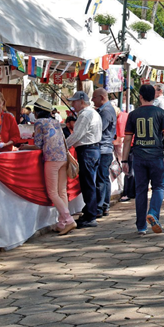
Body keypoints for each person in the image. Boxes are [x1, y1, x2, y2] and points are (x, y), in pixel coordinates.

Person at [121, 84, 164, 234]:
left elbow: (127, 139)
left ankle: (141, 226)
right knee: (159, 187)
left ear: (140, 96)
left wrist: (124, 160)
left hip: (139, 156)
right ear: (155, 96)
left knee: (141, 191)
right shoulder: (160, 113)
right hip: (156, 155)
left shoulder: (133, 114)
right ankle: (153, 213)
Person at [20, 97, 76, 235]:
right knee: (62, 191)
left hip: (51, 159)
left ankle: (68, 220)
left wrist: (26, 146)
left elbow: (38, 145)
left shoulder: (39, 123)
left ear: (37, 112)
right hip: (63, 157)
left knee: (52, 193)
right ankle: (62, 223)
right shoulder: (56, 121)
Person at [65, 91, 103, 228]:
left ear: (81, 101)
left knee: (88, 184)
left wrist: (63, 145)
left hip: (87, 151)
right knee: (90, 183)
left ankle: (90, 216)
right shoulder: (92, 113)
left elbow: (77, 135)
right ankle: (90, 211)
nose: (72, 104)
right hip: (92, 150)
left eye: (74, 102)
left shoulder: (86, 115)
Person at [92, 88, 117, 218]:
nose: (92, 100)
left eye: (94, 98)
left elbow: (98, 130)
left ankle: (100, 206)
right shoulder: (105, 110)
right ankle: (104, 205)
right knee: (104, 178)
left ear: (102, 97)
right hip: (105, 148)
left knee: (101, 179)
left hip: (103, 149)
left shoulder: (106, 111)